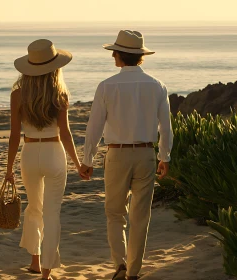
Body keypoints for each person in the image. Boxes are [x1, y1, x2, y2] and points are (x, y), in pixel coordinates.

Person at [79, 30, 173, 280]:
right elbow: (166, 126)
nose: (112, 56)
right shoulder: (157, 86)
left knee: (114, 213)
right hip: (146, 155)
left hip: (117, 155)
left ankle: (120, 265)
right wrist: (165, 156)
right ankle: (133, 272)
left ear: (120, 55)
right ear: (140, 56)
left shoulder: (107, 86)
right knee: (140, 217)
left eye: (114, 52)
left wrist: (87, 160)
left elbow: (94, 127)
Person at [6, 39, 84, 280]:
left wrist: (8, 169)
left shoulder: (18, 95)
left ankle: (35, 261)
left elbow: (14, 135)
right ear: (55, 68)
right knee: (52, 213)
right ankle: (46, 271)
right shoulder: (60, 94)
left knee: (34, 208)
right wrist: (78, 163)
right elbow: (66, 132)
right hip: (54, 152)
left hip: (29, 154)